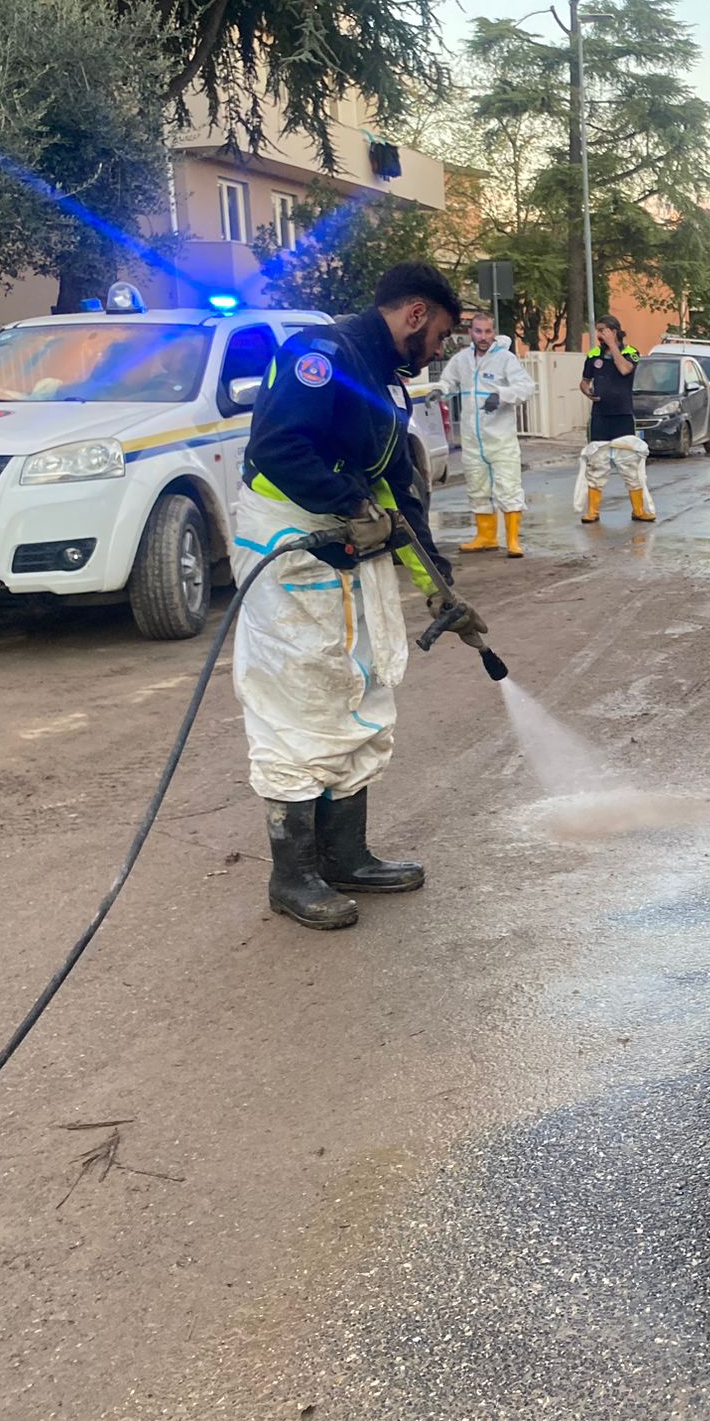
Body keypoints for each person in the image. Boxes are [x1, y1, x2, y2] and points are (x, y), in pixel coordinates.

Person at [235, 262, 479, 930]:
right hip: (290, 542)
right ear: (416, 314)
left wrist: (436, 583)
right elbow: (279, 447)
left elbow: (399, 485)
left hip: (348, 536)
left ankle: (346, 855)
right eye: (440, 336)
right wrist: (348, 504)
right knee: (303, 692)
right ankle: (294, 875)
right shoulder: (321, 356)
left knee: (360, 682)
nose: (439, 350)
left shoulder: (383, 379)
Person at [439, 311, 535, 558]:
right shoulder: (462, 360)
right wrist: (437, 391)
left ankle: (512, 540)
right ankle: (486, 536)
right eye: (478, 331)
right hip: (473, 439)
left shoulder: (505, 359)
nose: (483, 337)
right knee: (477, 487)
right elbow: (447, 382)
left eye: (488, 331)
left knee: (509, 486)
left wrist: (501, 396)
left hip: (500, 438)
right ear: (471, 332)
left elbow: (526, 387)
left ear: (494, 332)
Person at [576, 316, 653, 524]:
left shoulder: (631, 353)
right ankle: (592, 510)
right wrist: (587, 391)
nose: (599, 335)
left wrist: (612, 346)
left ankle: (638, 509)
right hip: (600, 417)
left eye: (602, 330)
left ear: (614, 331)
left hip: (623, 416)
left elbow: (625, 369)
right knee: (597, 462)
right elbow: (584, 381)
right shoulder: (594, 355)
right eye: (598, 331)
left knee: (629, 463)